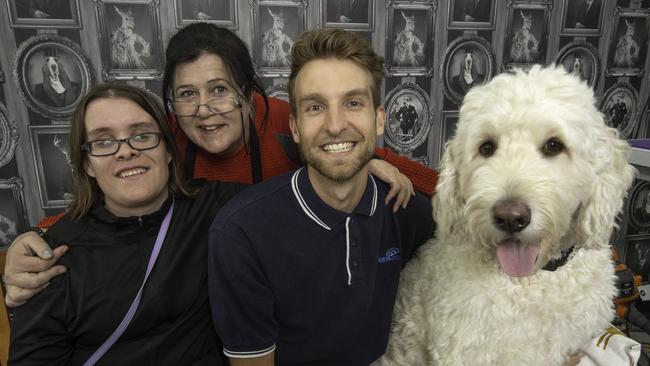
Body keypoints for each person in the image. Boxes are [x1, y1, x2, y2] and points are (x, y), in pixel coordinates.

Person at [4, 23, 436, 307]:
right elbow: (108, 204)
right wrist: (39, 235)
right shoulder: (163, 137)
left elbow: (347, 141)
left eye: (219, 89)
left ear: (249, 93)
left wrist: (369, 164)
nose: (204, 110)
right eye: (187, 94)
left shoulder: (288, 122)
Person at [208, 28, 434, 365]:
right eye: (315, 107)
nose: (335, 124)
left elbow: (477, 224)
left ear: (379, 120)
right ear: (296, 127)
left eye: (353, 103)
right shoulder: (241, 233)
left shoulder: (404, 207)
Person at [9, 84, 241, 364]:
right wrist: (33, 236)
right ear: (87, 165)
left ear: (168, 150)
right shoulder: (56, 254)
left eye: (142, 136)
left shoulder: (216, 208)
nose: (126, 151)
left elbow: (293, 193)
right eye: (104, 142)